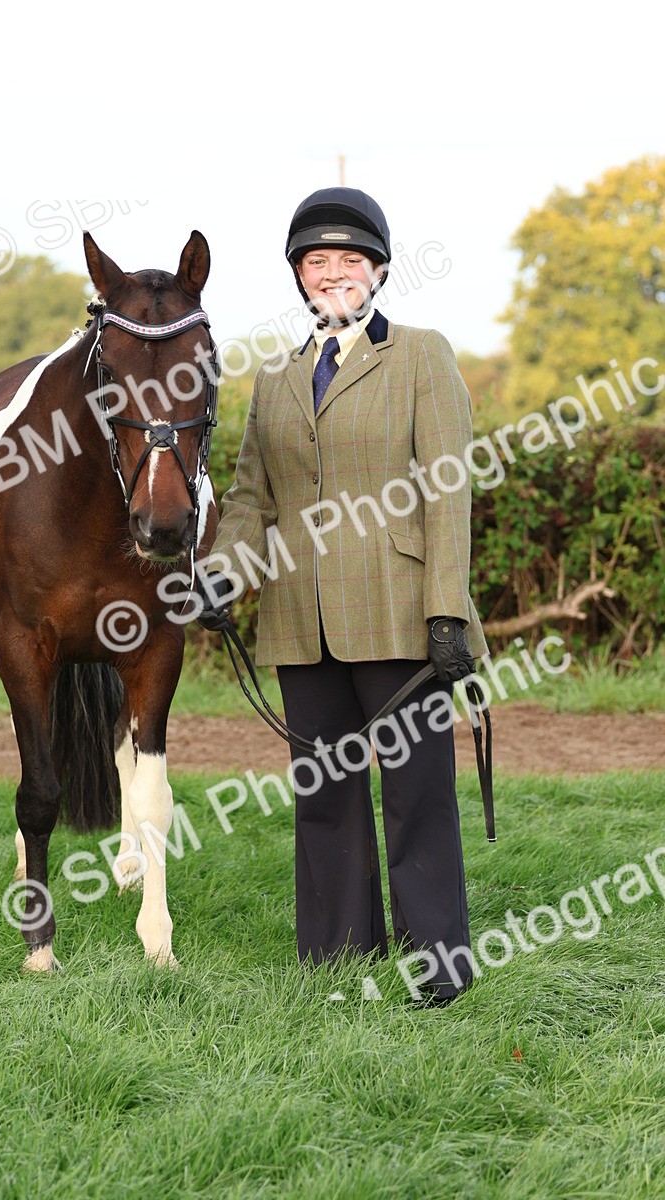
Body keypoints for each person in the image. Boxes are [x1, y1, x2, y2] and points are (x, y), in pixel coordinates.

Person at [198, 187, 488, 1004]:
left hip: (400, 616)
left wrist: (446, 610)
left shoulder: (422, 356)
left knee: (416, 794)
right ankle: (334, 958)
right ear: (298, 276)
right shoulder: (276, 380)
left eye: (348, 261)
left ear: (379, 272)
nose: (332, 274)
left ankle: (438, 968)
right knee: (323, 798)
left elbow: (448, 489)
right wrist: (224, 571)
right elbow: (254, 497)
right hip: (300, 620)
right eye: (315, 261)